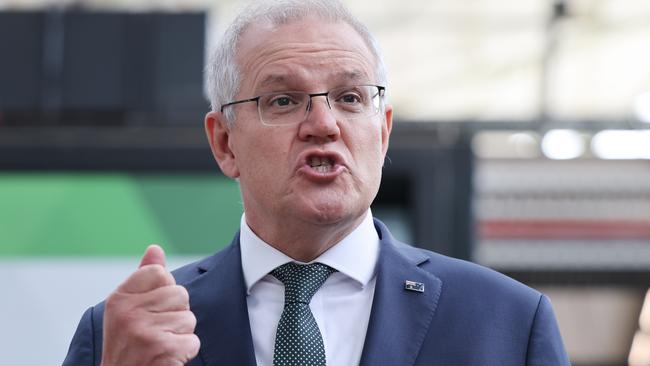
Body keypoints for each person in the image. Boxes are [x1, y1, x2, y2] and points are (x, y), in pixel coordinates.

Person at [63, 1, 570, 365]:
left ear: (384, 130)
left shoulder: (507, 323)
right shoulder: (124, 334)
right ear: (224, 143)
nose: (324, 123)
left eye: (350, 97)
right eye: (282, 101)